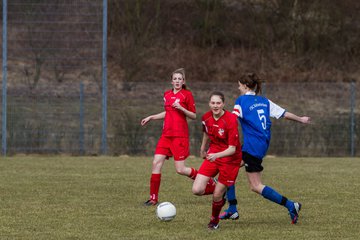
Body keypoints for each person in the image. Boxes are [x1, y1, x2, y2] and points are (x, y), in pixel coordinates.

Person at [220, 72, 311, 224]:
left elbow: (232, 119)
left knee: (255, 186)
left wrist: (217, 121)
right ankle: (232, 209)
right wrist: (300, 119)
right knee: (228, 167)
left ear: (245, 86)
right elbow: (284, 114)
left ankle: (291, 205)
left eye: (239, 85)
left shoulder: (241, 100)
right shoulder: (264, 101)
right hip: (260, 144)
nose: (238, 88)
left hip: (252, 146)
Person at [141, 68, 215, 206]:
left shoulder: (187, 95)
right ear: (171, 81)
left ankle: (209, 181)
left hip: (179, 136)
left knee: (180, 169)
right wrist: (151, 117)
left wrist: (181, 108)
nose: (177, 81)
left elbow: (193, 115)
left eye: (179, 79)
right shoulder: (167, 94)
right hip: (166, 136)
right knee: (156, 163)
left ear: (183, 81)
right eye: (175, 79)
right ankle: (153, 198)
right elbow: (168, 112)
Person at [192, 91, 243, 230]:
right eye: (213, 103)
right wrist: (203, 148)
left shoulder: (231, 119)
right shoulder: (206, 117)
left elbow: (232, 149)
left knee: (216, 196)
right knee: (197, 190)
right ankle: (220, 190)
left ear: (223, 104)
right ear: (209, 104)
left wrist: (216, 155)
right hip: (214, 154)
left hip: (230, 159)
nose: (215, 106)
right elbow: (206, 133)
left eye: (218, 103)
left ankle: (214, 222)